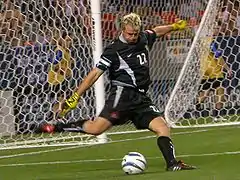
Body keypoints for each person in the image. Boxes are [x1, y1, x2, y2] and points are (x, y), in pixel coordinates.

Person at [58, 13, 196, 171]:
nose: (133, 37)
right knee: (96, 130)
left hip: (141, 98)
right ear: (122, 30)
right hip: (122, 96)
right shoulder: (113, 50)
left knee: (163, 127)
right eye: (130, 33)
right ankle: (59, 127)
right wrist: (76, 95)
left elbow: (157, 31)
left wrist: (173, 27)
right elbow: (95, 74)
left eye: (136, 33)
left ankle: (172, 164)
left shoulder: (142, 38)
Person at [196, 26, 232, 122]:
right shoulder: (211, 41)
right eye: (215, 27)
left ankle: (197, 105)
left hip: (204, 71)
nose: (217, 29)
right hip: (215, 71)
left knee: (206, 92)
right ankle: (217, 115)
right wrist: (228, 69)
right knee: (220, 94)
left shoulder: (201, 41)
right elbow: (217, 55)